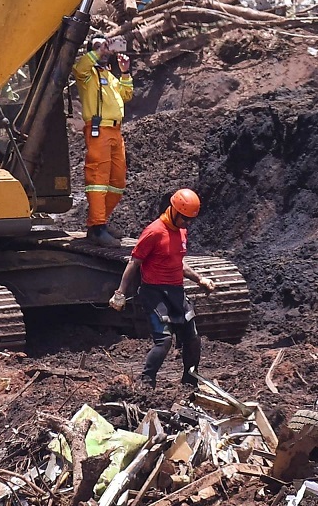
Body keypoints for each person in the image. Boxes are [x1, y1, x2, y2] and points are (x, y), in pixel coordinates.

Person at [109, 188, 216, 387]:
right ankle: (147, 382)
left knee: (192, 339)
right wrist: (120, 293)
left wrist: (199, 279)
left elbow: (178, 262)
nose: (187, 223)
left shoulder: (182, 231)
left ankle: (190, 381)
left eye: (190, 219)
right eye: (184, 218)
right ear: (174, 210)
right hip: (155, 293)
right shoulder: (154, 231)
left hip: (176, 291)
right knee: (164, 341)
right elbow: (134, 262)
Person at [73, 35, 133, 247]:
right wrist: (99, 51)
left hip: (116, 132)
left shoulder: (109, 75)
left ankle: (99, 224)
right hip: (99, 130)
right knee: (98, 180)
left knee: (117, 182)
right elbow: (79, 68)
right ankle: (97, 227)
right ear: (91, 51)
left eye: (105, 45)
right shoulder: (87, 75)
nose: (104, 50)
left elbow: (126, 95)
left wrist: (125, 72)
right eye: (98, 47)